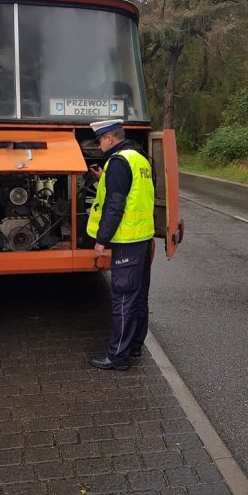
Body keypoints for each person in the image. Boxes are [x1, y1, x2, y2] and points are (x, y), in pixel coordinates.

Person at [87, 119, 155, 371]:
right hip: (142, 238)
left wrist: (101, 240)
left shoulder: (117, 163)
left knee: (123, 298)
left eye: (99, 140)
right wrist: (103, 178)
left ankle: (117, 357)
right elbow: (134, 192)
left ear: (109, 139)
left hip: (126, 241)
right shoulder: (138, 158)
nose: (98, 145)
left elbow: (115, 206)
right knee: (138, 296)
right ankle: (135, 346)